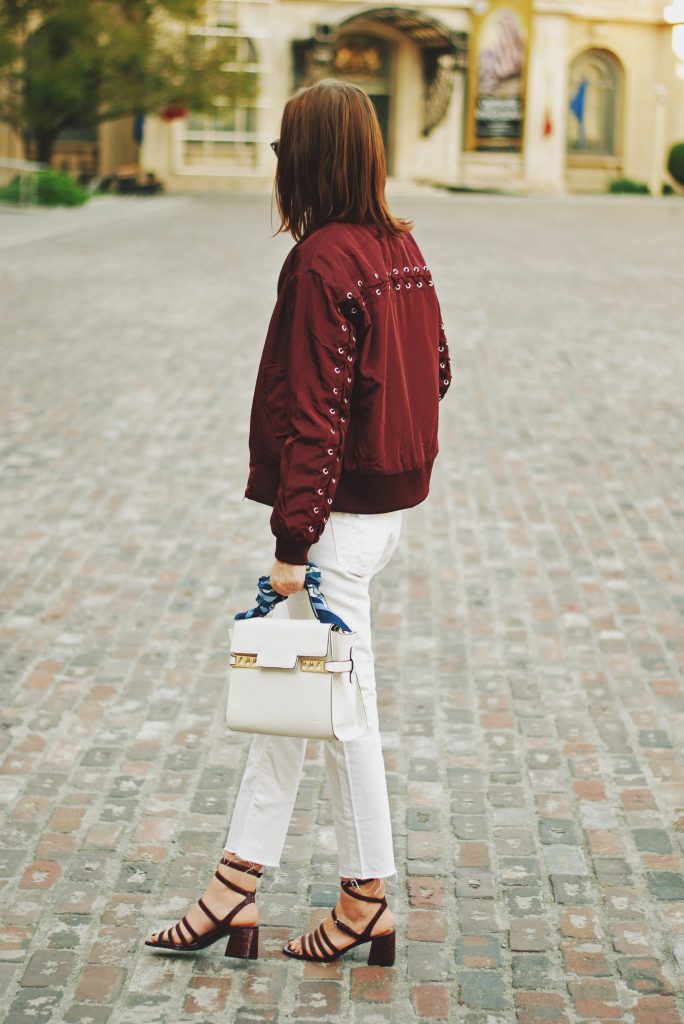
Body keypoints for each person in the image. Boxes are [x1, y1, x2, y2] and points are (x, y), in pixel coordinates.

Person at [146, 78, 452, 966]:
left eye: (284, 151)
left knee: (344, 712)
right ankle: (235, 885)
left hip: (335, 527)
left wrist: (293, 546)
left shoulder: (322, 260)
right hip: (379, 512)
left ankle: (366, 897)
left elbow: (315, 414)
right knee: (295, 696)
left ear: (308, 158)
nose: (279, 167)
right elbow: (435, 372)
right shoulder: (402, 245)